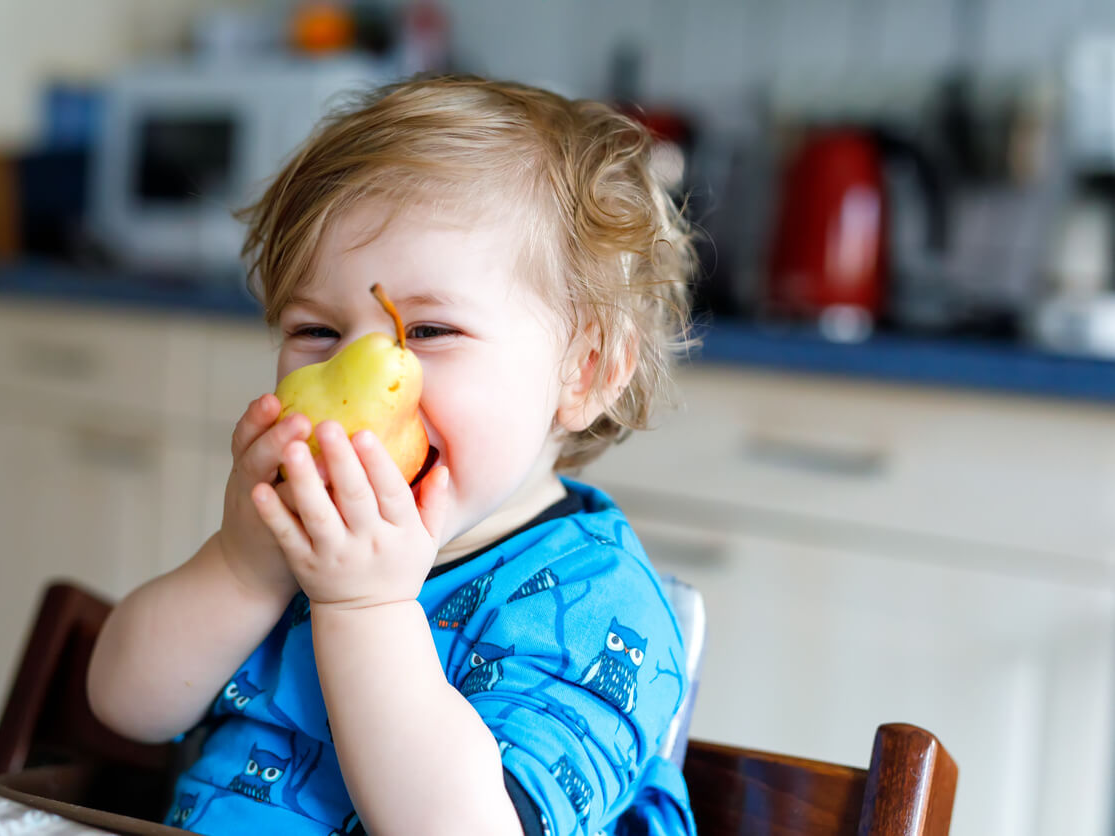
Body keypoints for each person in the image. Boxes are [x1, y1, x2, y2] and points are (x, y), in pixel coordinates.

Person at [86, 75, 698, 836]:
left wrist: (365, 608)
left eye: (428, 332)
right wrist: (240, 565)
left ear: (586, 373)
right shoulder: (300, 539)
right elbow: (126, 705)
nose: (366, 370)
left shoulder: (595, 603)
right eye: (315, 332)